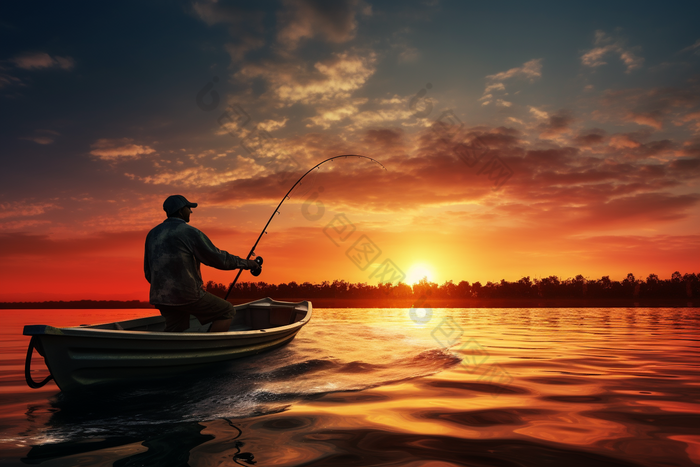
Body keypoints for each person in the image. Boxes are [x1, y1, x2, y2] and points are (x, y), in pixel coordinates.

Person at [144, 195, 261, 332]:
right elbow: (218, 259)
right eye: (189, 208)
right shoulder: (189, 232)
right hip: (188, 296)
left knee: (176, 328)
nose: (191, 212)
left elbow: (148, 272)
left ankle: (169, 351)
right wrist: (248, 264)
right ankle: (213, 348)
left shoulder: (152, 234)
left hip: (161, 298)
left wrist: (164, 289)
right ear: (181, 210)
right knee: (226, 310)